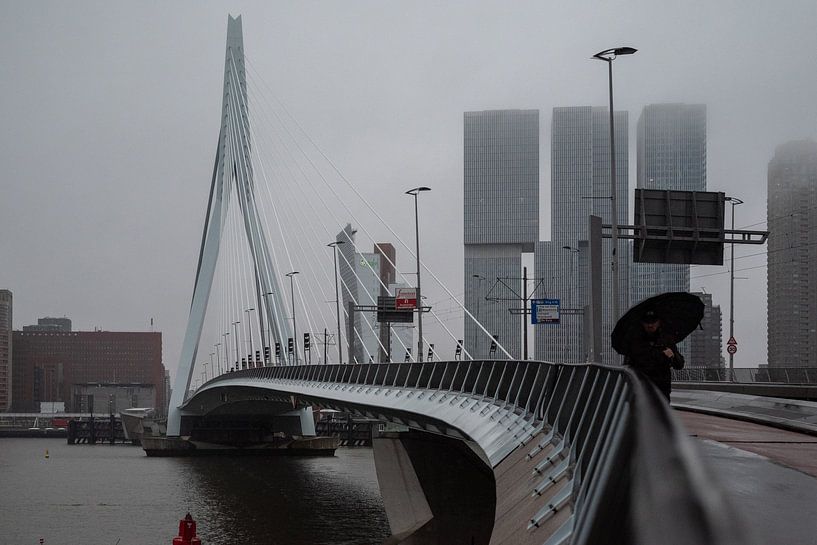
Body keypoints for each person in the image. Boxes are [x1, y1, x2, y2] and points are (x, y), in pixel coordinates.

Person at [622, 310, 685, 401]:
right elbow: (627, 366)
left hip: (662, 389)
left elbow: (679, 365)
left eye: (653, 322)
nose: (650, 325)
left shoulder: (666, 340)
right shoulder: (635, 342)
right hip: (641, 388)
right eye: (647, 322)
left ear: (659, 322)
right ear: (642, 323)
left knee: (661, 413)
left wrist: (673, 355)